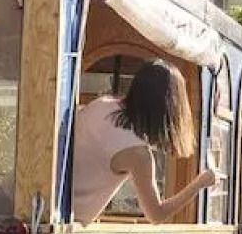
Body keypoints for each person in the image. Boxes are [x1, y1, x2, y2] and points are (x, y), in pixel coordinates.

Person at [71, 59, 219, 223]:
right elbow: (156, 215)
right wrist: (199, 184)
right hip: (71, 227)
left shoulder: (100, 104)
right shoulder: (137, 153)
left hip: (53, 208)